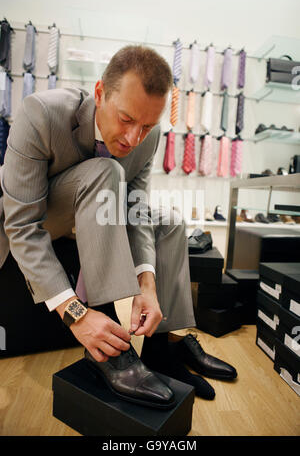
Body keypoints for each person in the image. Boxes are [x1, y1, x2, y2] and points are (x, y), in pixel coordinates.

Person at [0, 45, 236, 408]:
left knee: (169, 222)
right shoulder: (41, 113)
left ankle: (166, 346)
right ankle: (112, 354)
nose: (133, 138)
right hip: (47, 217)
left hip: (99, 212)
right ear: (99, 94)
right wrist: (77, 314)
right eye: (126, 119)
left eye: (147, 126)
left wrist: (147, 282)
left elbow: (136, 205)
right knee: (107, 170)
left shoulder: (147, 136)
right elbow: (21, 223)